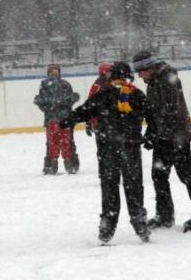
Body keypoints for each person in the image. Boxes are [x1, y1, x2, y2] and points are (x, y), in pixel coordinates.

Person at [61, 61, 153, 244]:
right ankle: (139, 222)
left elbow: (84, 111)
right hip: (130, 147)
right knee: (134, 185)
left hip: (107, 147)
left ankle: (107, 225)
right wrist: (149, 137)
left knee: (109, 186)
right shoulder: (137, 94)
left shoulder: (103, 95)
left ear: (111, 76)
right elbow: (152, 118)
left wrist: (67, 121)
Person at [132, 50, 191, 232]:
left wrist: (158, 134)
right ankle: (165, 215)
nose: (139, 75)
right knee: (159, 175)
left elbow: (171, 110)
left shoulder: (168, 79)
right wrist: (151, 132)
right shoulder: (153, 82)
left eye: (141, 70)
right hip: (164, 136)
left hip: (177, 136)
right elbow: (154, 113)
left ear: (149, 67)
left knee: (186, 174)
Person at [34, 63, 80, 175]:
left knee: (52, 142)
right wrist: (67, 104)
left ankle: (51, 164)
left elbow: (41, 101)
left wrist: (48, 108)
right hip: (64, 118)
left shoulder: (44, 85)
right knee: (67, 141)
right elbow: (71, 99)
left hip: (52, 118)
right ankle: (70, 163)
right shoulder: (65, 84)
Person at [86, 62, 112, 136]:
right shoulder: (98, 85)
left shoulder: (113, 83)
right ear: (104, 73)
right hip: (101, 122)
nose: (111, 74)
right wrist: (88, 122)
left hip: (110, 121)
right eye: (109, 72)